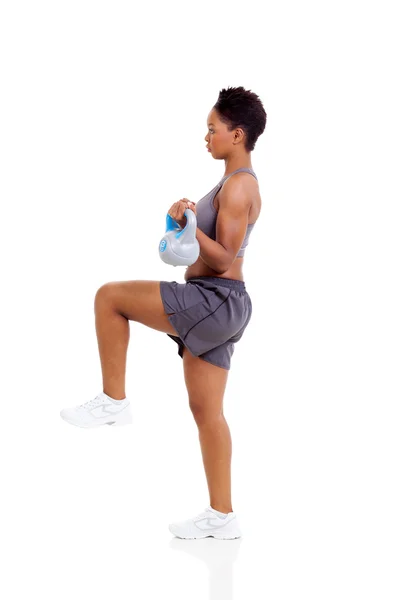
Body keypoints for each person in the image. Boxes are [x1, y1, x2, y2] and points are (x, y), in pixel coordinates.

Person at [60, 86, 267, 539]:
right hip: (225, 305)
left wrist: (192, 227)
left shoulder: (240, 186)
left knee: (109, 298)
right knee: (207, 411)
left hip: (215, 298)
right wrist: (187, 218)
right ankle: (222, 516)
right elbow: (205, 247)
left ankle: (114, 401)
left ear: (237, 134)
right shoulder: (230, 184)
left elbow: (223, 257)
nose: (206, 136)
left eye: (212, 129)